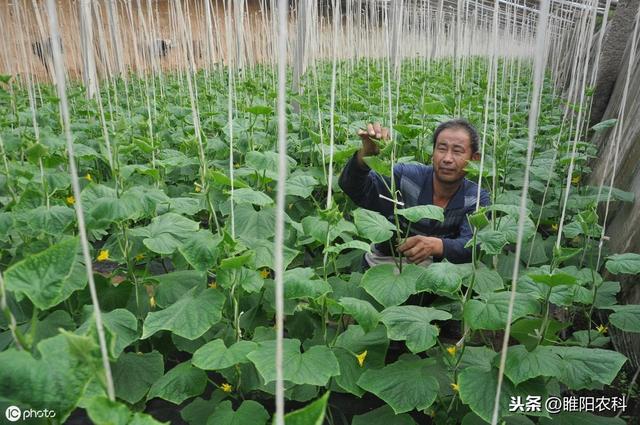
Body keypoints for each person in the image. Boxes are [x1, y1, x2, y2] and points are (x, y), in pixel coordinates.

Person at [338, 119, 490, 269]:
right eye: (442, 149)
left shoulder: (475, 198)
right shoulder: (406, 177)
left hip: (438, 275)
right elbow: (355, 188)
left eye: (457, 151)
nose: (447, 159)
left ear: (474, 159)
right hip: (386, 261)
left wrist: (437, 246)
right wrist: (364, 156)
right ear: (433, 152)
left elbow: (474, 244)